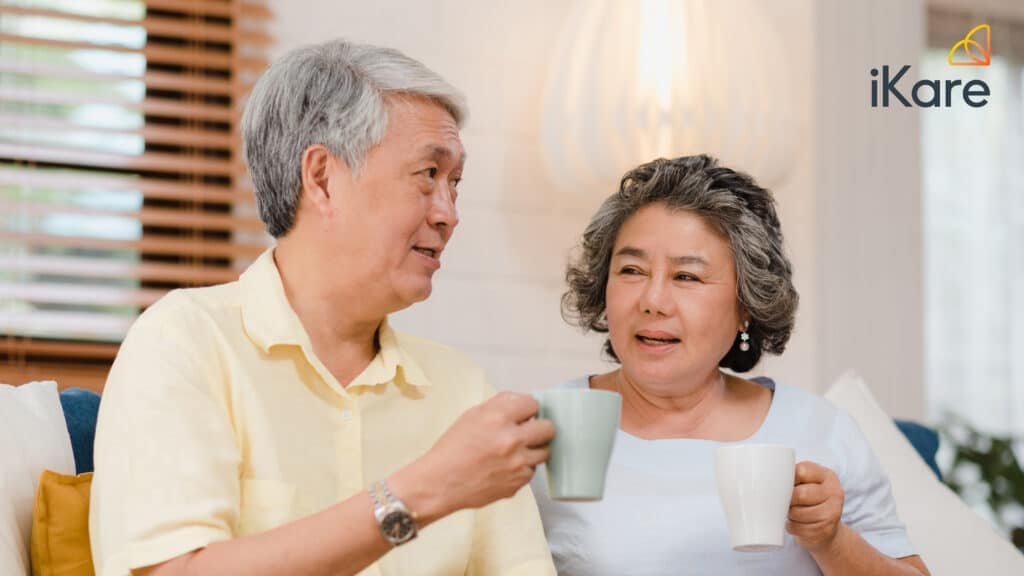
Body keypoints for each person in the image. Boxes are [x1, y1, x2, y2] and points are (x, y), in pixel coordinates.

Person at [89, 39, 556, 576]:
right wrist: (421, 491)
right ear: (322, 178)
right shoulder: (185, 342)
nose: (449, 214)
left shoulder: (462, 390)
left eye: (455, 183)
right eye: (428, 175)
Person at [531, 155, 930, 575]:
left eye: (687, 277)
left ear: (746, 305)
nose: (652, 301)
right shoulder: (540, 430)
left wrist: (831, 540)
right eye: (632, 270)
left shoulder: (821, 430)